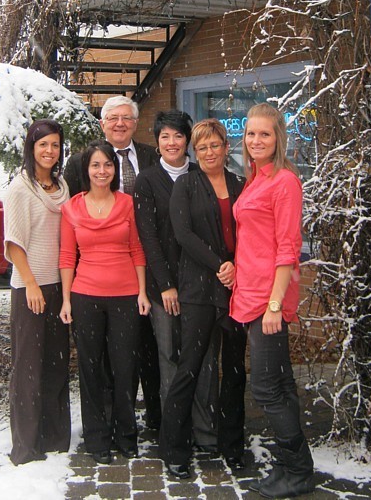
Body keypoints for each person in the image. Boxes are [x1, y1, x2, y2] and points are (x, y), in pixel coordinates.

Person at [230, 103, 316, 498]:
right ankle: (292, 465)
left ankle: (296, 469)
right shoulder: (255, 179)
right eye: (250, 133)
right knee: (280, 383)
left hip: (269, 299)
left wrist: (276, 305)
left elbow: (288, 248)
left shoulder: (284, 182)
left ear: (278, 137)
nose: (256, 140)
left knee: (266, 387)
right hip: (250, 292)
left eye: (264, 133)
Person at [63, 95, 161, 429]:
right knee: (101, 358)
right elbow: (73, 221)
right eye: (112, 118)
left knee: (142, 353)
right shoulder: (81, 163)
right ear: (102, 124)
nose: (120, 123)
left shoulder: (152, 156)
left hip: (142, 271)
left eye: (127, 118)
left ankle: (149, 419)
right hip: (92, 278)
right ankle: (104, 420)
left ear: (136, 122)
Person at [159, 118, 247, 480]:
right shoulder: (186, 185)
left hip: (239, 290)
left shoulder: (241, 185)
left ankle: (232, 445)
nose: (209, 152)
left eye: (215, 145)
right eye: (202, 147)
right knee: (190, 367)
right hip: (199, 289)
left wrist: (237, 266)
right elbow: (183, 235)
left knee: (235, 371)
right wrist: (221, 264)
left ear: (227, 148)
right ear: (196, 152)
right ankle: (174, 448)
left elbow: (252, 231)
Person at [59, 140, 151, 465]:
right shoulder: (72, 207)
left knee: (126, 368)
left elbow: (137, 250)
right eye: (96, 165)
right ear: (86, 170)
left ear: (115, 169)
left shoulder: (128, 203)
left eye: (107, 165)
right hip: (85, 297)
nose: (102, 171)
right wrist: (67, 300)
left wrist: (142, 291)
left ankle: (126, 435)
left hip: (126, 296)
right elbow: (68, 256)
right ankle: (97, 437)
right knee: (91, 368)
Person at [134, 110, 218, 453]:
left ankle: (207, 432)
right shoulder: (147, 181)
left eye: (178, 136)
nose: (172, 143)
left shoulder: (202, 176)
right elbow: (149, 238)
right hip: (163, 287)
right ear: (157, 142)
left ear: (188, 141)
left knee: (203, 358)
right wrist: (166, 284)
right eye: (165, 136)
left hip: (201, 286)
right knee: (170, 359)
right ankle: (176, 434)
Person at [4, 118, 71, 466]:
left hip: (59, 286)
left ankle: (56, 437)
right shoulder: (20, 188)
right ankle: (26, 447)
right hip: (30, 287)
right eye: (43, 144)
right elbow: (14, 242)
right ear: (31, 148)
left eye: (55, 144)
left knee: (56, 366)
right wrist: (30, 282)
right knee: (28, 368)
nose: (49, 151)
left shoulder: (61, 185)